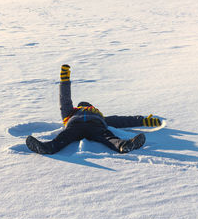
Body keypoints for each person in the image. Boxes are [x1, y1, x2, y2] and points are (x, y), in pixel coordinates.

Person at [26, 64, 162, 154]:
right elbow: (65, 99)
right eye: (85, 106)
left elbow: (122, 121)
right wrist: (64, 80)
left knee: (108, 137)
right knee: (65, 137)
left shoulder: (99, 117)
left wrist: (144, 121)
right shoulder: (71, 113)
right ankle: (46, 148)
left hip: (93, 126)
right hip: (78, 126)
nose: (87, 107)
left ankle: (124, 145)